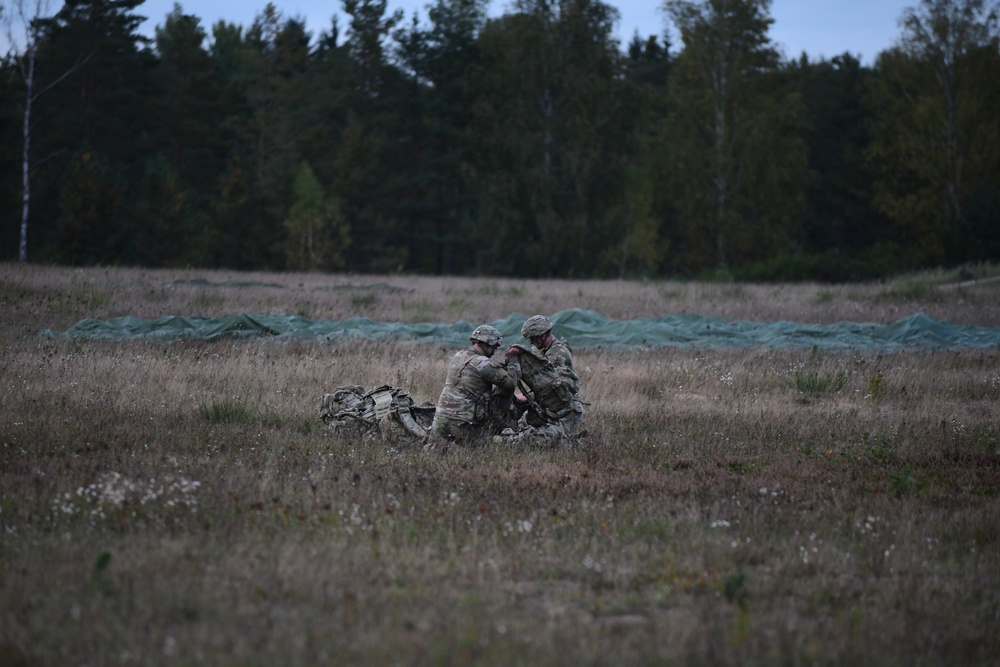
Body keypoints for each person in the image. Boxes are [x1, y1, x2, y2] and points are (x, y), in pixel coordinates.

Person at [428, 324, 521, 444]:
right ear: (488, 343)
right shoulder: (483, 363)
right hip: (463, 424)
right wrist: (513, 359)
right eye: (494, 347)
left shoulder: (458, 356)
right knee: (492, 445)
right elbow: (511, 382)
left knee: (437, 449)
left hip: (440, 420)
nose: (494, 351)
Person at [502, 314, 584, 447]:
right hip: (545, 405)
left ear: (542, 335)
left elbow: (553, 388)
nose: (532, 342)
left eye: (533, 339)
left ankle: (573, 443)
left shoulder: (557, 353)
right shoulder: (541, 350)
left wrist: (526, 397)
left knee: (543, 439)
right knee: (521, 427)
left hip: (565, 409)